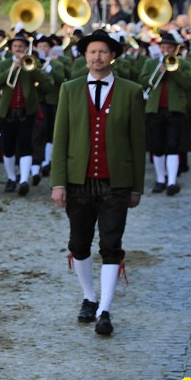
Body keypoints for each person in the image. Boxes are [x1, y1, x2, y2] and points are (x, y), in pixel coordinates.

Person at [51, 29, 145, 336]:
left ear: (113, 56)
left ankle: (105, 309)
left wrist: (136, 186)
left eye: (103, 51)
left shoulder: (131, 91)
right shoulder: (70, 88)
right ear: (85, 56)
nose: (97, 57)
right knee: (79, 243)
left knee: (110, 245)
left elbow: (137, 141)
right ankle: (89, 297)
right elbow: (60, 137)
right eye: (92, 52)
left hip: (116, 182)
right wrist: (58, 182)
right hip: (78, 182)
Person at [0, 33, 55, 195]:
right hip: (7, 112)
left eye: (21, 46)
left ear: (26, 48)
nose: (18, 49)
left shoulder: (32, 64)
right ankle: (11, 178)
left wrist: (32, 68)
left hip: (27, 112)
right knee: (8, 147)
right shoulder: (4, 63)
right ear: (11, 48)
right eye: (15, 46)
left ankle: (24, 180)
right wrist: (12, 68)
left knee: (26, 145)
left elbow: (46, 86)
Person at [140, 31, 191, 195]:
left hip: (175, 109)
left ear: (175, 50)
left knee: (173, 145)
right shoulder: (151, 64)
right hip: (154, 109)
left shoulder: (183, 64)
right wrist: (159, 70)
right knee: (156, 146)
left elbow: (187, 83)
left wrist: (173, 70)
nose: (165, 50)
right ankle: (160, 179)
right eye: (163, 47)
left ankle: (172, 181)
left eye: (169, 47)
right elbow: (143, 81)